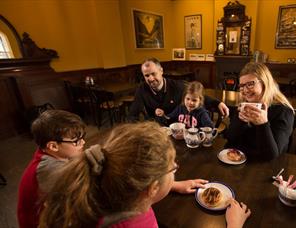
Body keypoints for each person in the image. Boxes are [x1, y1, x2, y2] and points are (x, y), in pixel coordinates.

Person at [38, 122, 251, 227]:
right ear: (151, 188)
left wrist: (173, 185)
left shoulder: (103, 190)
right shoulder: (136, 222)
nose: (175, 167)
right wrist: (234, 226)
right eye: (172, 168)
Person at [17, 110, 87, 228]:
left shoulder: (48, 152)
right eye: (76, 141)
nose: (83, 142)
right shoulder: (50, 169)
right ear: (53, 146)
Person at [224, 62, 294, 160]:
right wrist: (240, 121)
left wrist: (262, 124)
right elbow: (230, 139)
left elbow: (271, 155)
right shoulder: (244, 104)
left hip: (265, 168)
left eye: (250, 84)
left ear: (265, 83)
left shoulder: (283, 112)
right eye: (242, 86)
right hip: (239, 161)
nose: (245, 90)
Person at [128, 57, 229, 123]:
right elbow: (133, 115)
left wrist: (218, 103)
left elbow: (197, 95)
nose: (150, 78)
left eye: (153, 74)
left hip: (176, 128)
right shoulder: (142, 89)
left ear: (161, 71)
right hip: (155, 130)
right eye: (146, 75)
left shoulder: (177, 86)